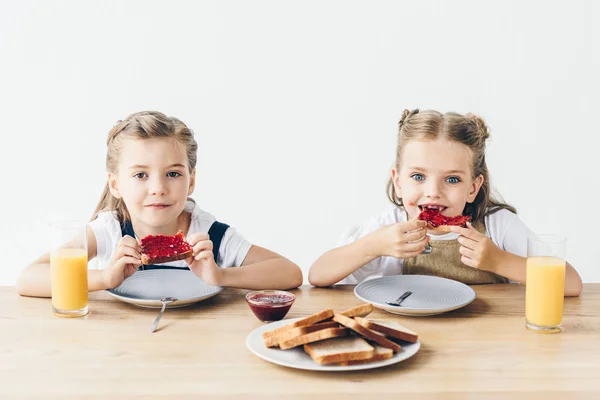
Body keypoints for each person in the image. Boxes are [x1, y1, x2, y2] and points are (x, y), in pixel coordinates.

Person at [17, 111, 303, 297]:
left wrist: (220, 274)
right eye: (141, 175)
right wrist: (105, 277)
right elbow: (30, 278)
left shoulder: (209, 235)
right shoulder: (109, 231)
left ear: (191, 182)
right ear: (115, 184)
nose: (158, 189)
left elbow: (290, 272)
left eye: (173, 174)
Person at [308, 109, 582, 296]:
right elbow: (319, 275)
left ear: (473, 188)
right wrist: (371, 246)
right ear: (398, 181)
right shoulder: (389, 227)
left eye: (452, 180)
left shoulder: (498, 226)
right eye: (418, 176)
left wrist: (498, 261)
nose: (433, 192)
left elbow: (571, 283)